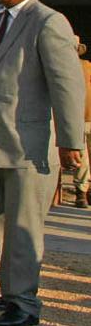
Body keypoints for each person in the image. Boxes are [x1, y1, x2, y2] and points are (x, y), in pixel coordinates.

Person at [0, 0, 85, 326]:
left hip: (29, 145)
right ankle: (11, 290)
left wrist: (70, 141)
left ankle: (25, 305)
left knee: (23, 227)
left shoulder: (49, 22)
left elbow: (67, 86)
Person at [71, 40, 91, 208]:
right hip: (76, 117)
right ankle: (81, 191)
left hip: (82, 116)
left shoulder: (86, 66)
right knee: (80, 156)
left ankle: (82, 191)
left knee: (81, 156)